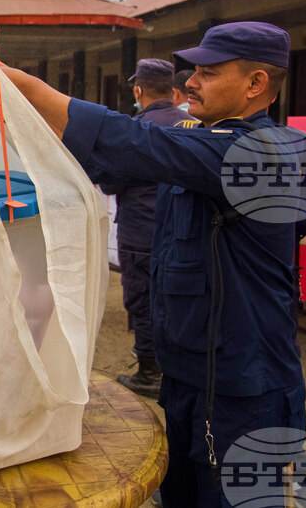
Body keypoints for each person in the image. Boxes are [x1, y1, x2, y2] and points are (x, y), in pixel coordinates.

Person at [0, 22, 306, 507]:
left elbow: (135, 141)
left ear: (256, 84)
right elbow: (122, 159)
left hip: (243, 384)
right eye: (193, 71)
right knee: (179, 491)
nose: (191, 83)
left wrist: (21, 83)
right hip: (189, 372)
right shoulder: (211, 144)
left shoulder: (261, 152)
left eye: (209, 73)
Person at [99, 58, 192, 399]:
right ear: (172, 89)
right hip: (181, 231)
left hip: (141, 232)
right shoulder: (191, 124)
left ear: (138, 89)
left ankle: (151, 372)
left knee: (143, 300)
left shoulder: (136, 129)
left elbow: (111, 182)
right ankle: (175, 367)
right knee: (176, 299)